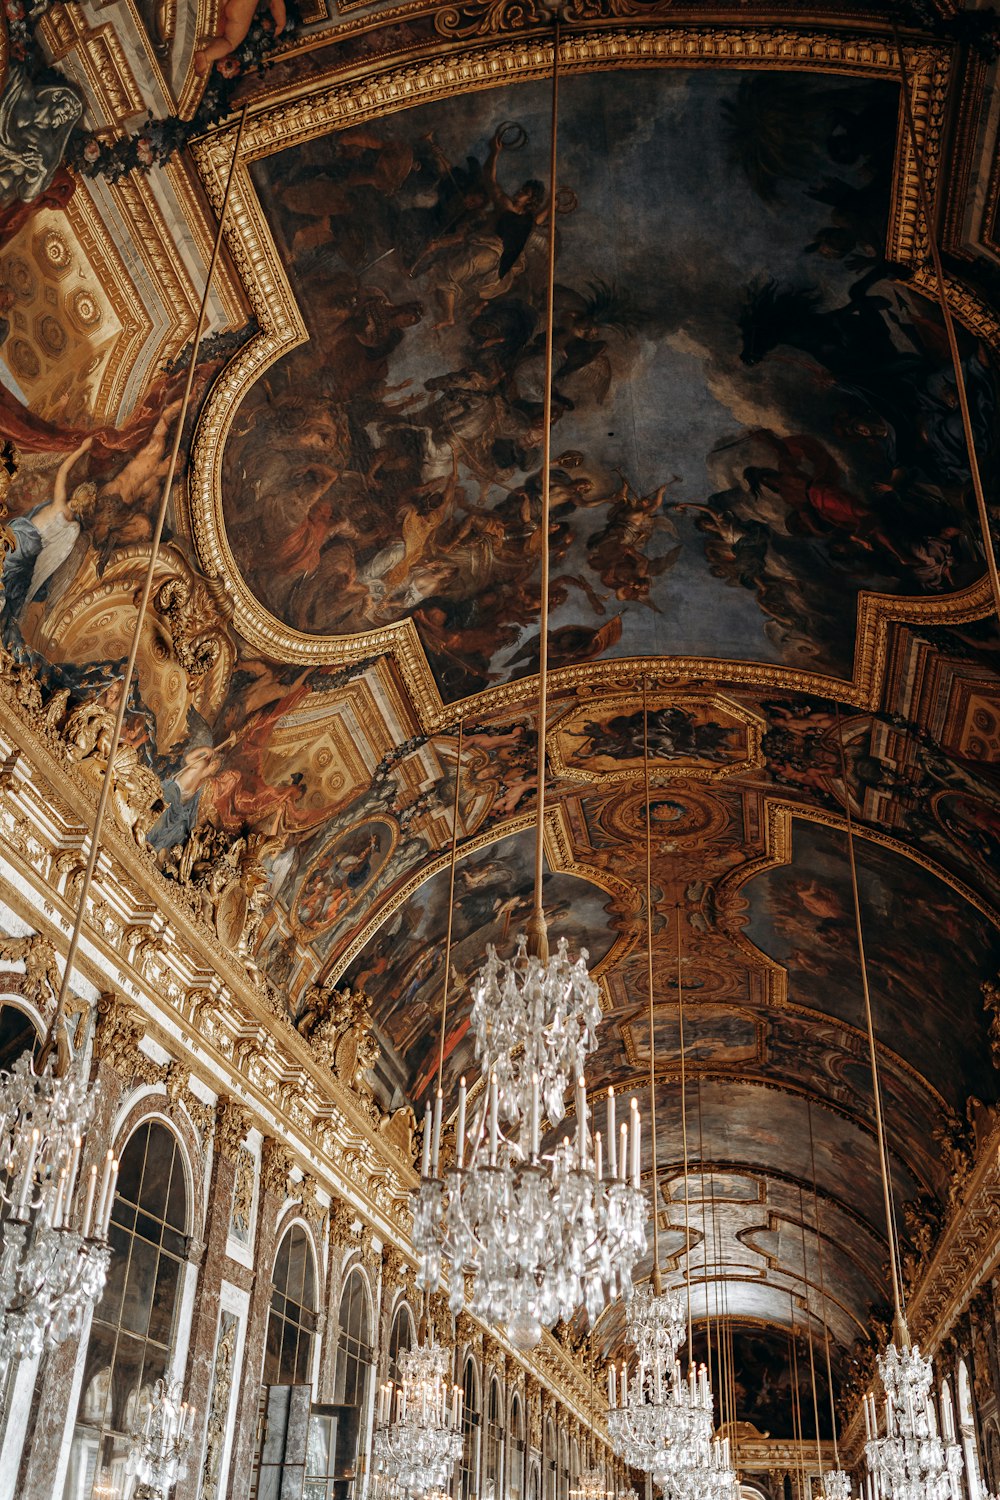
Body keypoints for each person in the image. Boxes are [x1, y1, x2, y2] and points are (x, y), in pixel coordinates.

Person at [1, 436, 95, 627]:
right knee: (10, 577)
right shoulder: (73, 528)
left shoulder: (60, 504)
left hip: (24, 535)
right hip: (33, 551)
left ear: (77, 493)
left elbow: (63, 471)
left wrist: (82, 449)